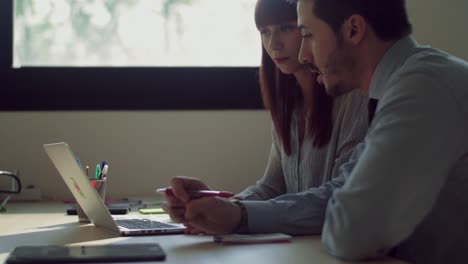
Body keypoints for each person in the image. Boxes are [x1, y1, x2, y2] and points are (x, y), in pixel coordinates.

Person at [162, 0, 368, 235]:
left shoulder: (355, 98)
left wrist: (236, 214)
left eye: (287, 28)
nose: (274, 43)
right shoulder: (288, 106)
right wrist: (216, 207)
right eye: (265, 32)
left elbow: (342, 195)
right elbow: (272, 186)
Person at [290, 0, 468, 263]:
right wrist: (239, 215)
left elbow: (352, 232)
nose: (303, 55)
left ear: (353, 29)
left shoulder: (423, 87)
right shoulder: (399, 87)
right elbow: (340, 194)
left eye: (308, 35)